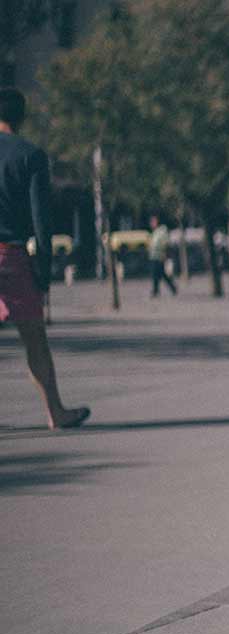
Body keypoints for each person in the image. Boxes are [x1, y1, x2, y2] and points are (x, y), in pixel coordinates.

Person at [0, 87, 89, 429]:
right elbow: (42, 220)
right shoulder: (31, 155)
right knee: (34, 338)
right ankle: (56, 412)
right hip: (11, 254)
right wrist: (44, 270)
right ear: (21, 117)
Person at [147, 215, 177, 297]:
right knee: (160, 274)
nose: (151, 223)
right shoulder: (155, 232)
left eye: (153, 221)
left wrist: (165, 255)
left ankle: (156, 291)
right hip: (154, 256)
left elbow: (165, 243)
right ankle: (171, 288)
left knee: (156, 274)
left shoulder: (162, 231)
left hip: (159, 256)